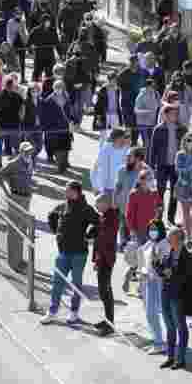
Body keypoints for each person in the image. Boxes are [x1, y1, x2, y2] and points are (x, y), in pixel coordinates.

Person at [42, 181, 101, 325]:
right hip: (63, 252)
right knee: (57, 282)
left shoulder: (86, 209)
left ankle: (74, 312)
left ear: (76, 192)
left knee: (76, 284)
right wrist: (57, 232)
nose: (65, 193)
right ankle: (52, 311)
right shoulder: (63, 206)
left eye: (68, 190)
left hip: (79, 253)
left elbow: (98, 223)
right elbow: (52, 215)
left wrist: (89, 235)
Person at [0, 140, 38, 274]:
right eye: (26, 151)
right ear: (20, 151)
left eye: (30, 151)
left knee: (21, 230)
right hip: (16, 197)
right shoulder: (14, 163)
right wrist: (7, 193)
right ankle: (13, 263)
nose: (29, 153)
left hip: (26, 198)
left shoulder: (30, 162)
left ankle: (19, 259)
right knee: (14, 230)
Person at [157, 226, 192, 370]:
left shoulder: (188, 257)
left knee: (180, 326)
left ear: (178, 240)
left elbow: (188, 277)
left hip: (178, 296)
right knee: (169, 325)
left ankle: (180, 359)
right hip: (166, 293)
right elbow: (161, 269)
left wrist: (171, 274)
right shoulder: (169, 253)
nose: (168, 240)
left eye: (170, 237)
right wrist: (158, 267)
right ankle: (170, 356)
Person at [150, 106, 188, 226]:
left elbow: (187, 147)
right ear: (165, 115)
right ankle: (158, 218)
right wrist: (151, 166)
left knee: (174, 193)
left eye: (176, 114)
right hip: (162, 165)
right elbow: (153, 149)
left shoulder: (182, 129)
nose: (174, 116)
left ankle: (171, 219)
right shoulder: (158, 129)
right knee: (160, 192)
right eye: (171, 113)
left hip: (176, 166)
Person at [88, 194, 119, 336]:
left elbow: (104, 241)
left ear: (105, 203)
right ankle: (108, 320)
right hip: (103, 258)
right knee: (105, 290)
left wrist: (98, 260)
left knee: (104, 291)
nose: (96, 206)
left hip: (106, 259)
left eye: (97, 203)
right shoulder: (105, 216)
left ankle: (110, 323)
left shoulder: (110, 218)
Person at [142, 218, 170, 354]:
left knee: (165, 312)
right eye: (150, 229)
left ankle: (167, 340)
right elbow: (143, 263)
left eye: (155, 229)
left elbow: (165, 265)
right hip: (149, 281)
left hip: (161, 282)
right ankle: (158, 340)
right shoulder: (148, 244)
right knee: (150, 313)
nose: (153, 232)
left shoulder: (165, 245)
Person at [40, 79, 75, 172]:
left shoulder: (66, 97)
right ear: (53, 88)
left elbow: (70, 111)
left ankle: (65, 162)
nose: (58, 89)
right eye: (57, 87)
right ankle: (60, 166)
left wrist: (72, 121)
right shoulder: (49, 99)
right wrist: (46, 126)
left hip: (65, 126)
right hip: (54, 127)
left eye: (60, 87)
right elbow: (46, 114)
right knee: (58, 147)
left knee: (66, 145)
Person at [91, 128, 131, 200]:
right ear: (116, 139)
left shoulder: (128, 151)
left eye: (125, 138)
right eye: (123, 138)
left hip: (120, 189)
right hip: (105, 188)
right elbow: (95, 167)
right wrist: (95, 186)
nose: (124, 140)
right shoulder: (106, 149)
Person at [134, 77, 161, 148]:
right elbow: (136, 110)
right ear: (147, 86)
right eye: (152, 86)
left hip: (153, 123)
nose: (154, 87)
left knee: (152, 143)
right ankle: (145, 158)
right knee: (146, 143)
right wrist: (148, 111)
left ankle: (149, 158)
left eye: (154, 86)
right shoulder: (141, 95)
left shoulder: (156, 93)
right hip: (143, 124)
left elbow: (160, 105)